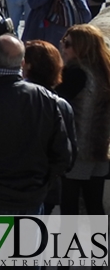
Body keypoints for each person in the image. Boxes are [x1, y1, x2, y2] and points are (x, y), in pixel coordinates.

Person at [0, 35, 74, 270]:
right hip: (28, 196)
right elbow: (64, 156)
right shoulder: (48, 101)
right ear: (21, 63)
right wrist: (41, 184)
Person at [56, 24, 110, 215]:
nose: (63, 47)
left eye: (67, 43)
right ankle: (98, 246)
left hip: (77, 152)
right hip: (100, 151)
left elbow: (55, 105)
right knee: (94, 205)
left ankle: (68, 245)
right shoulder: (104, 71)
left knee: (69, 207)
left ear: (81, 47)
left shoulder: (76, 73)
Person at [22, 40, 77, 215]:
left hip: (9, 189)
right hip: (43, 189)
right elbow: (67, 156)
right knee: (33, 240)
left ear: (27, 65)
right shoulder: (61, 105)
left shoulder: (11, 100)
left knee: (10, 241)